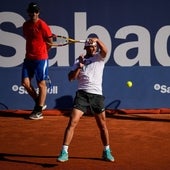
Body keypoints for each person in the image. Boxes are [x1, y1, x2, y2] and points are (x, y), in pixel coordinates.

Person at [57, 38, 115, 162]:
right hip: (82, 95)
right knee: (72, 122)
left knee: (102, 125)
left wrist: (98, 39)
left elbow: (105, 50)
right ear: (86, 48)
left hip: (97, 96)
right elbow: (71, 78)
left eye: (94, 46)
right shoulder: (79, 60)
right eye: (90, 47)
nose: (93, 48)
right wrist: (79, 66)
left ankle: (106, 151)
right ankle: (64, 152)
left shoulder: (99, 57)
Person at [22, 2, 53, 120]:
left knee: (41, 84)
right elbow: (30, 39)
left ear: (38, 12)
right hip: (28, 58)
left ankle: (38, 111)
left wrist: (43, 52)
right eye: (31, 11)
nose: (33, 13)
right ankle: (39, 103)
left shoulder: (43, 25)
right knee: (25, 83)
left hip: (40, 58)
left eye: (35, 11)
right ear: (28, 12)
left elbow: (50, 43)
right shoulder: (25, 25)